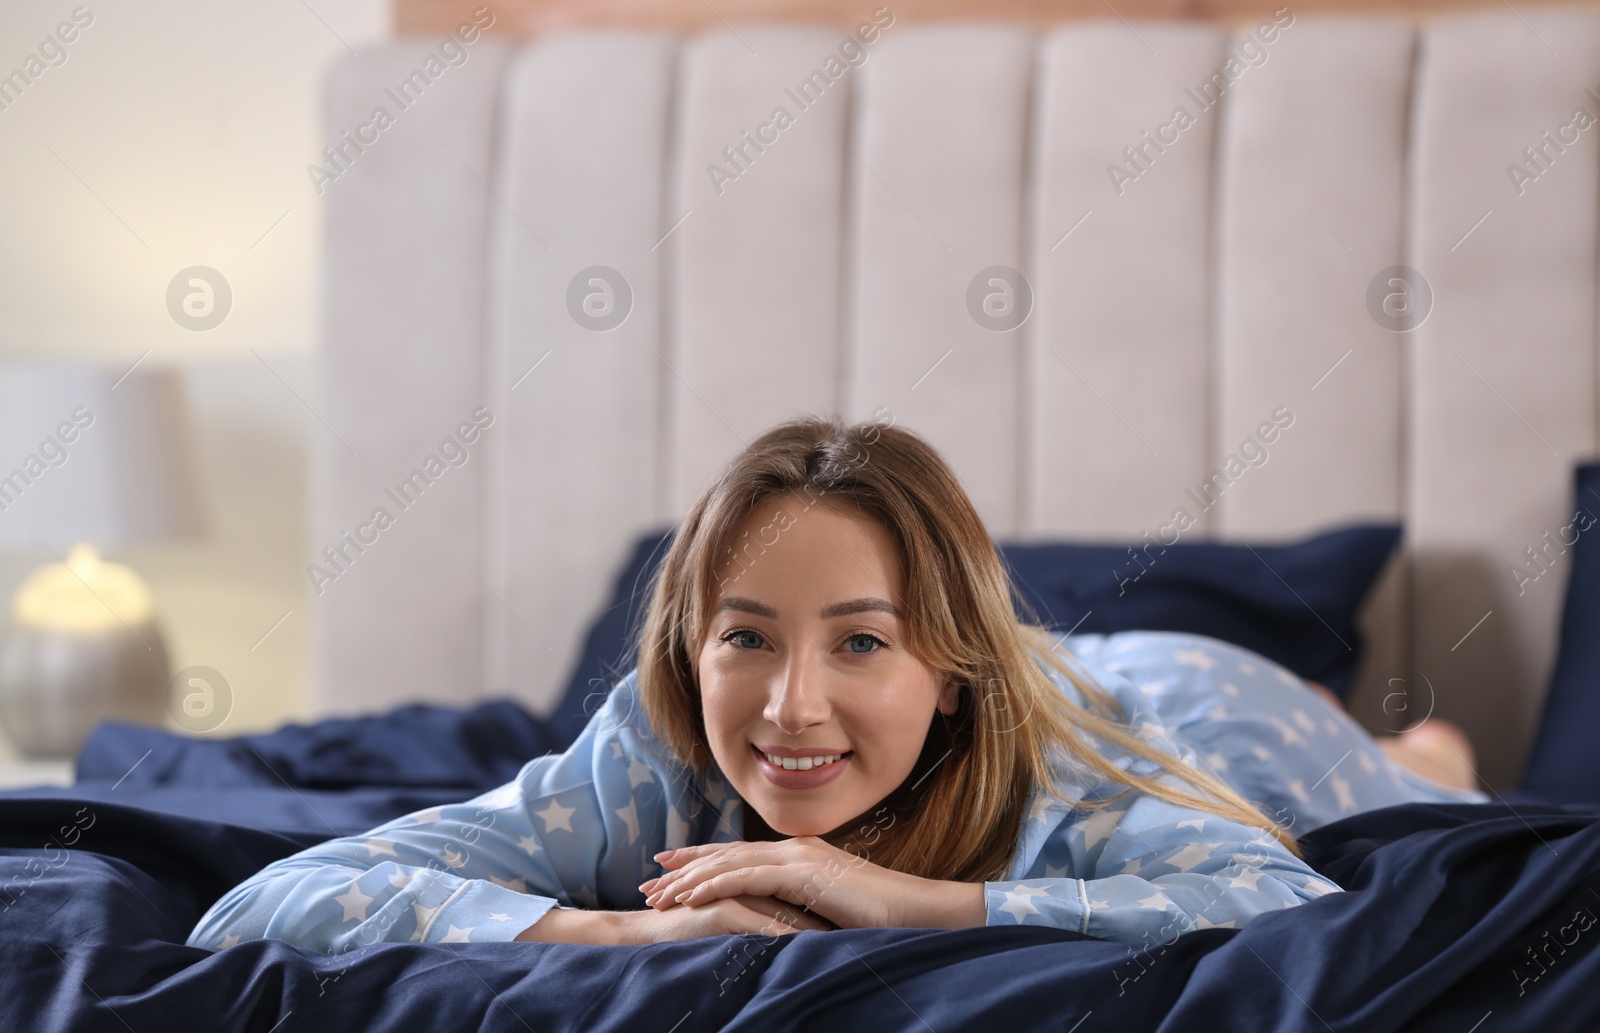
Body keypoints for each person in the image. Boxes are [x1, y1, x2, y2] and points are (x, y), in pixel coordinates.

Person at [187, 416, 1487, 955]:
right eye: (746, 638)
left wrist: (910, 900)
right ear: (692, 648)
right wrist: (627, 931)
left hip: (1180, 705)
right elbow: (267, 901)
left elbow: (1285, 894)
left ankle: (1437, 746)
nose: (789, 705)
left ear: (946, 665)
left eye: (861, 640)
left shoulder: (1064, 777)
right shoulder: (654, 753)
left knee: (1405, 782)